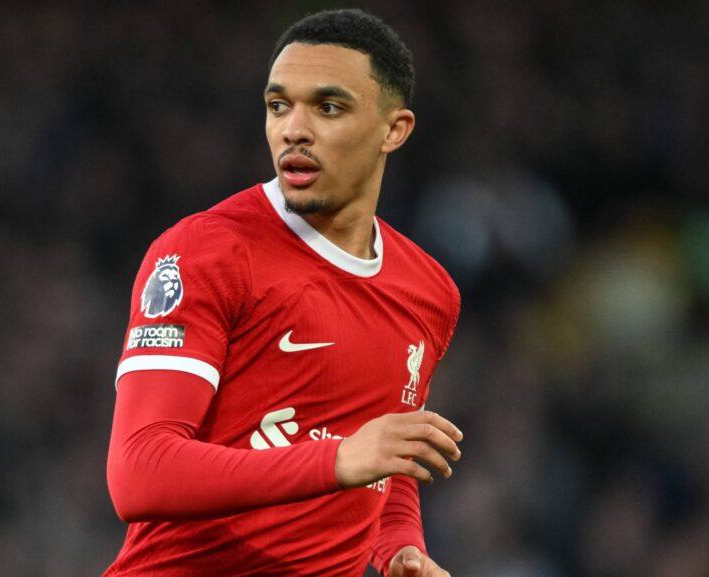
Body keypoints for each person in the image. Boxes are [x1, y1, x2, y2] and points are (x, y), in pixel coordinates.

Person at [104, 9, 462, 577]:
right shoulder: (207, 252)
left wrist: (399, 546)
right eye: (278, 105)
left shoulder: (428, 291)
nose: (294, 129)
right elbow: (139, 471)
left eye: (328, 107)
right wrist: (337, 459)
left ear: (394, 129)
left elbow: (381, 462)